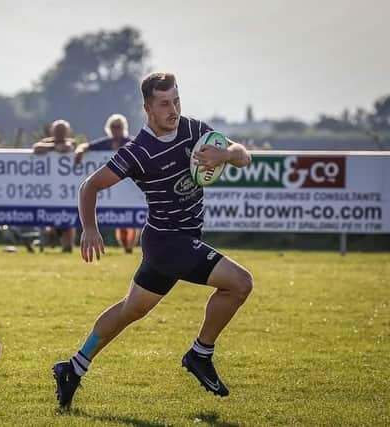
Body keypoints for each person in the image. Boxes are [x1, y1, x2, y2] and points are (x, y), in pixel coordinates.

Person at [53, 73, 253, 408]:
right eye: (164, 103)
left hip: (180, 239)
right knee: (240, 283)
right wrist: (89, 227)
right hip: (167, 242)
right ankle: (200, 354)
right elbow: (90, 186)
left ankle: (73, 367)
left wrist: (226, 155)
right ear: (148, 108)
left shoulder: (192, 130)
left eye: (176, 100)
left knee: (131, 310)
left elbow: (243, 155)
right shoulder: (138, 151)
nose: (173, 109)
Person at [75, 114, 139, 254]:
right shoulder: (104, 143)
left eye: (119, 127)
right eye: (113, 127)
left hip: (128, 186)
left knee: (129, 221)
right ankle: (124, 246)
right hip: (110, 183)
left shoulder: (131, 142)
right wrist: (80, 151)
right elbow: (87, 146)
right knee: (120, 224)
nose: (116, 130)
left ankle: (129, 247)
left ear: (124, 128)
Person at [33, 119, 76, 253]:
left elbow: (67, 148)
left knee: (67, 219)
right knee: (49, 217)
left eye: (62, 131)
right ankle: (50, 238)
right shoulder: (47, 142)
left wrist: (54, 148)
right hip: (48, 189)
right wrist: (53, 148)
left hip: (65, 189)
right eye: (57, 131)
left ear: (67, 132)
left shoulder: (70, 142)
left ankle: (67, 245)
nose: (59, 133)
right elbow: (36, 148)